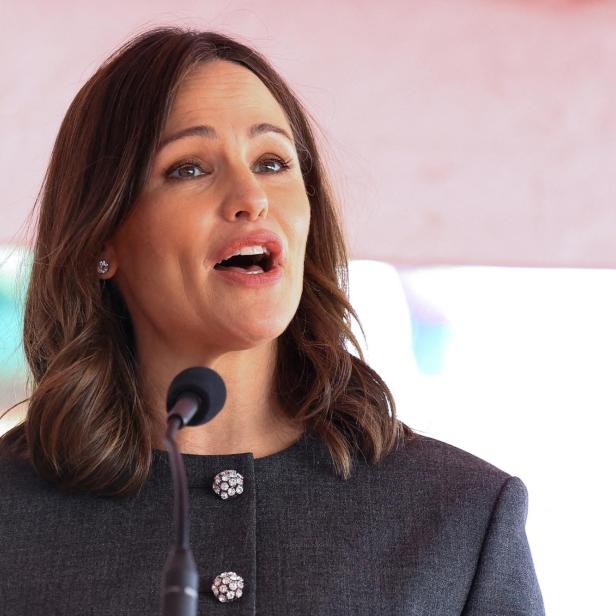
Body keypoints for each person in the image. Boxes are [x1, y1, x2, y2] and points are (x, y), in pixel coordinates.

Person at [0, 27, 545, 615]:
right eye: (188, 168)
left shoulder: (461, 514)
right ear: (102, 238)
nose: (251, 196)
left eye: (273, 161)